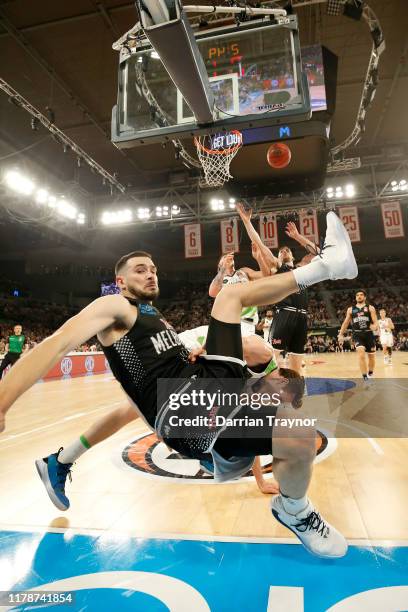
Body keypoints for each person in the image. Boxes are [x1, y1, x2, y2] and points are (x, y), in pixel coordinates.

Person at [0, 212, 357, 558]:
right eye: (140, 270)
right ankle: (326, 266)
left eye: (153, 269)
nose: (151, 274)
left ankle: (293, 508)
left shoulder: (154, 319)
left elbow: (137, 398)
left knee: (299, 436)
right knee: (238, 311)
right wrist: (3, 401)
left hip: (202, 387)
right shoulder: (115, 306)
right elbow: (58, 342)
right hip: (185, 410)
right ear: (120, 281)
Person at [237, 204, 319, 375]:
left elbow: (318, 253)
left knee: (297, 359)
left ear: (293, 255)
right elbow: (259, 242)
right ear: (277, 257)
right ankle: (275, 394)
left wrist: (298, 237)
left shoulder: (302, 266)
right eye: (281, 251)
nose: (284, 251)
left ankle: (295, 392)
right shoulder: (277, 265)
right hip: (284, 313)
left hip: (302, 315)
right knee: (275, 359)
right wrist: (246, 221)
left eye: (287, 250)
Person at [338, 290, 378, 379]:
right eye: (357, 295)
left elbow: (375, 322)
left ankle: (370, 373)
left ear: (365, 297)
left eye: (361, 295)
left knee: (371, 357)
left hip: (368, 334)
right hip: (357, 334)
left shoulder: (370, 308)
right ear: (355, 297)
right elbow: (345, 323)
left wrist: (374, 326)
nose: (359, 296)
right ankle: (365, 377)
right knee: (361, 355)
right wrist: (340, 334)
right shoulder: (351, 309)